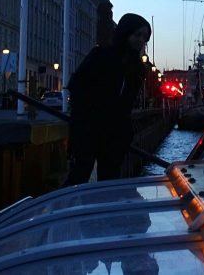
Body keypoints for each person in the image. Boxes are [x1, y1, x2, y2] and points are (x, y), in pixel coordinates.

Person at [62, 13, 151, 186]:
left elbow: (126, 102)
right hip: (90, 129)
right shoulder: (102, 55)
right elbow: (77, 85)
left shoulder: (136, 68)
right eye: (137, 35)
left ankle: (103, 209)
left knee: (109, 179)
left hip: (115, 134)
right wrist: (90, 113)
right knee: (80, 175)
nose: (141, 40)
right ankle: (64, 209)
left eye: (144, 37)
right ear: (126, 33)